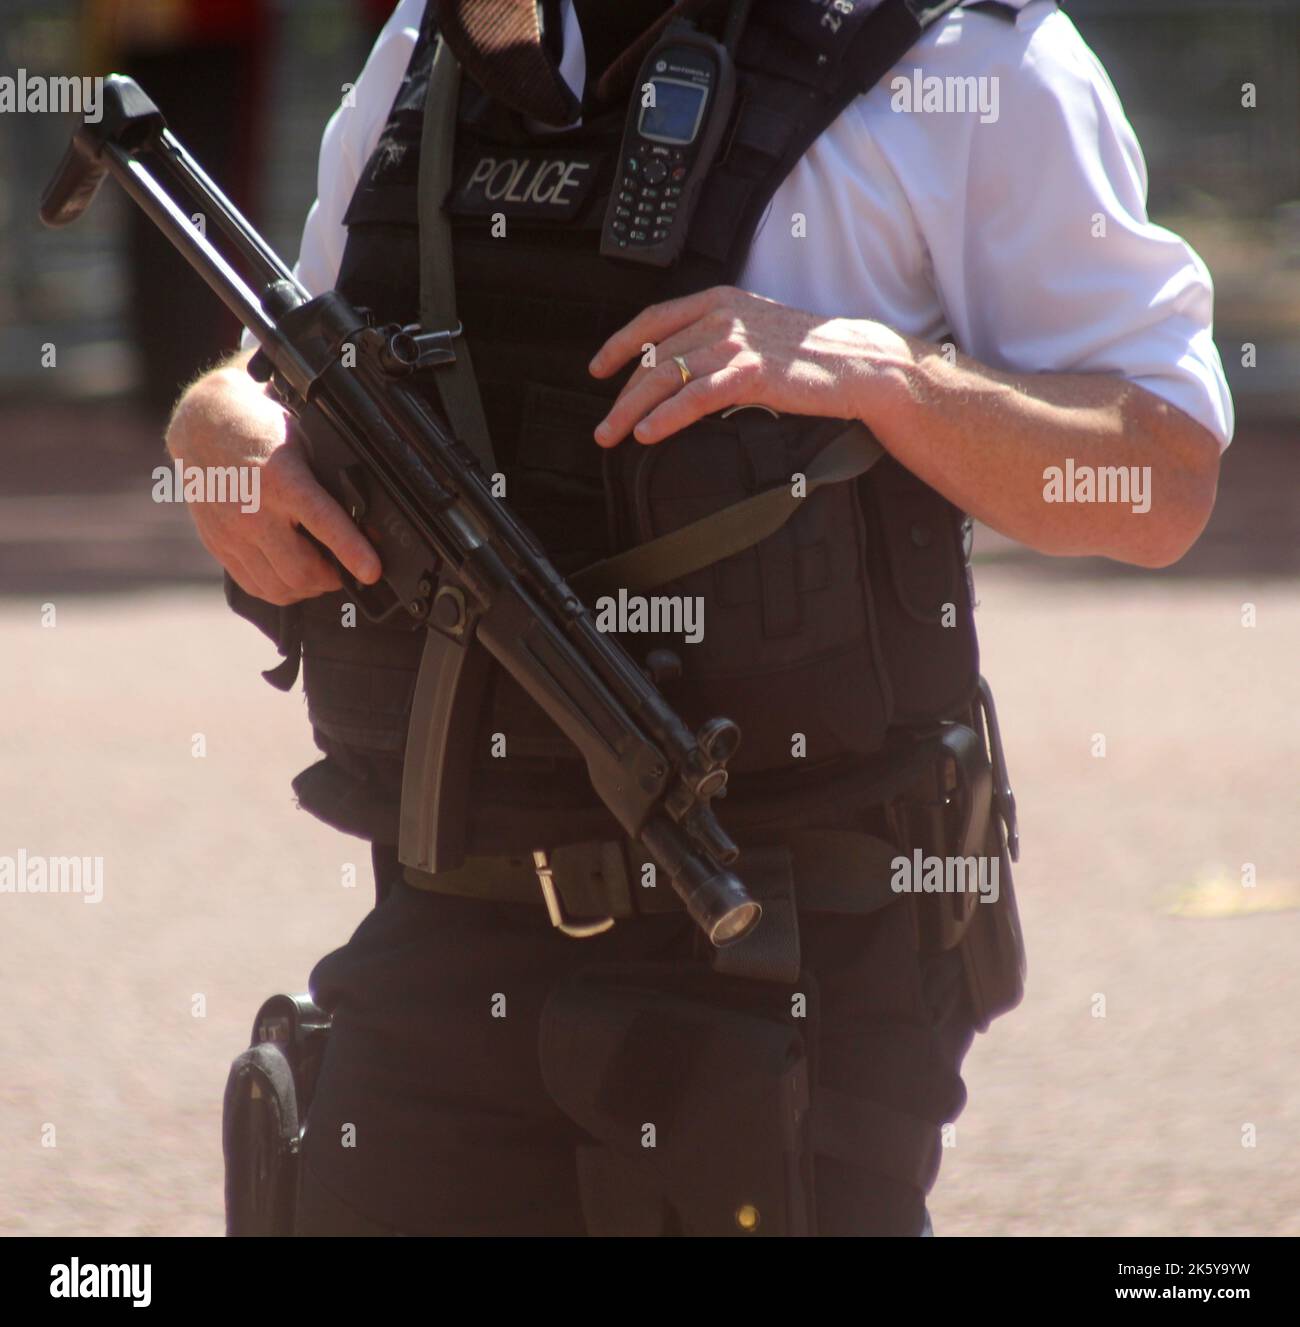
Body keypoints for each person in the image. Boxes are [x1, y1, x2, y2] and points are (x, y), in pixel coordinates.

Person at [166, 0, 1232, 1236]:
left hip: (790, 947)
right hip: (450, 913)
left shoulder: (964, 61)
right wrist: (213, 427)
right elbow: (287, 356)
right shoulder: (436, 42)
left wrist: (886, 378)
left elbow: (1162, 480)